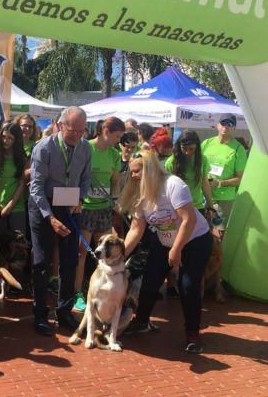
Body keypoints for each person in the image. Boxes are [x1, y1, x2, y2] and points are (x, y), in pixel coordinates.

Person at [121, 150, 213, 353]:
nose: (133, 176)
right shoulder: (140, 193)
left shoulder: (174, 185)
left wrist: (177, 250)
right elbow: (136, 230)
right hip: (164, 242)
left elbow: (189, 220)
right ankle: (142, 321)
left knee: (187, 286)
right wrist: (119, 257)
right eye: (132, 172)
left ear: (150, 169)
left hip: (195, 240)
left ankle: (193, 334)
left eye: (137, 172)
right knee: (150, 282)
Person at [29, 106, 91, 336]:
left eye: (81, 131)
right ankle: (40, 313)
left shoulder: (85, 147)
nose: (76, 135)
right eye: (72, 130)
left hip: (69, 204)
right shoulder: (44, 147)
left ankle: (64, 311)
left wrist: (80, 199)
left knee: (69, 260)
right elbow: (35, 187)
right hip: (43, 206)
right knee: (42, 262)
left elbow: (86, 177)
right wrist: (50, 218)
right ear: (60, 125)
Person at [73, 117, 125, 312]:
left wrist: (116, 200)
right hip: (85, 208)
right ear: (105, 131)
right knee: (82, 253)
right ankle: (77, 293)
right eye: (117, 136)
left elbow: (116, 181)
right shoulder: (85, 147)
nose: (118, 141)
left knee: (104, 253)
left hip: (104, 209)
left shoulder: (114, 153)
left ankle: (100, 289)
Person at [201, 113, 247, 233]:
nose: (225, 127)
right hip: (202, 195)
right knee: (199, 230)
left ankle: (216, 251)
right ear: (217, 125)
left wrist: (219, 183)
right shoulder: (207, 143)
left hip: (223, 199)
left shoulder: (238, 149)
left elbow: (240, 178)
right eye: (223, 123)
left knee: (217, 232)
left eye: (230, 124)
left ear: (234, 128)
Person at [165, 130, 214, 216]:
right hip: (177, 207)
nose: (187, 152)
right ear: (179, 146)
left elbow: (205, 183)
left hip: (197, 206)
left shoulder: (202, 160)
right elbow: (166, 187)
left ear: (197, 147)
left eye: (191, 149)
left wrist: (210, 205)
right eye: (184, 148)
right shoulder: (171, 162)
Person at [0, 123, 28, 235]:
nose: (5, 141)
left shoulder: (22, 158)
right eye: (3, 136)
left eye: (10, 138)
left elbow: (23, 184)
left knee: (19, 244)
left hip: (16, 206)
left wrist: (9, 206)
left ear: (17, 140)